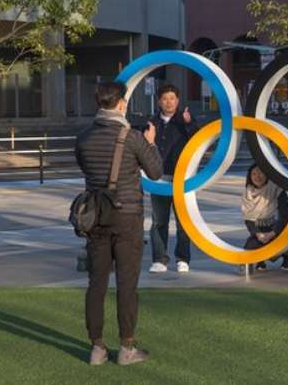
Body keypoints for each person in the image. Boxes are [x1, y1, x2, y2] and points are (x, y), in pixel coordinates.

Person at [75, 81, 163, 366]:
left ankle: (97, 348)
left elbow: (86, 168)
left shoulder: (84, 136)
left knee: (96, 283)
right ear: (121, 104)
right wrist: (150, 143)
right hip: (127, 216)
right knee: (127, 283)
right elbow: (156, 171)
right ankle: (127, 347)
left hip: (96, 217)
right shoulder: (133, 137)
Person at [148, 83, 199, 274]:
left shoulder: (185, 119)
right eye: (164, 98)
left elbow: (199, 141)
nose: (168, 102)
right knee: (159, 221)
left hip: (182, 179)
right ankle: (159, 259)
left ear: (177, 101)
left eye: (172, 98)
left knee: (183, 222)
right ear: (159, 101)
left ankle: (183, 258)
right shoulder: (152, 122)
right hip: (159, 178)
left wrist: (188, 124)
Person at [241, 165, 288, 271]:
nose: (257, 176)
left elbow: (285, 216)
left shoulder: (276, 189)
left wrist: (272, 233)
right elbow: (248, 219)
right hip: (260, 230)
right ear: (249, 176)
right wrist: (258, 234)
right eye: (254, 174)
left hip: (278, 228)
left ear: (267, 175)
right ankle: (260, 260)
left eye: (261, 173)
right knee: (249, 247)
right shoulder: (247, 193)